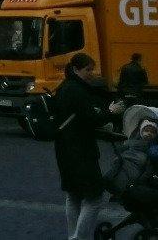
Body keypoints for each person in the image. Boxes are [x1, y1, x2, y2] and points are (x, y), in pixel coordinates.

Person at [53, 52, 125, 240]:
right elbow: (90, 118)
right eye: (88, 70)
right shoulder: (78, 90)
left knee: (73, 195)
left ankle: (72, 235)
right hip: (80, 150)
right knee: (94, 198)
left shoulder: (64, 88)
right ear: (76, 69)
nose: (91, 73)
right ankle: (80, 237)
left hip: (63, 148)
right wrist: (110, 112)